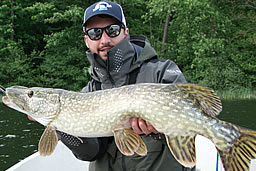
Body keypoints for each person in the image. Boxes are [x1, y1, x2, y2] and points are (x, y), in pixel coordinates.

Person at [53, 1, 194, 171]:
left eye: (112, 30)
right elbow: (91, 152)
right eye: (95, 33)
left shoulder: (161, 72)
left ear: (125, 32)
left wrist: (158, 133)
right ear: (87, 40)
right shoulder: (89, 92)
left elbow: (190, 127)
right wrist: (59, 125)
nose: (104, 39)